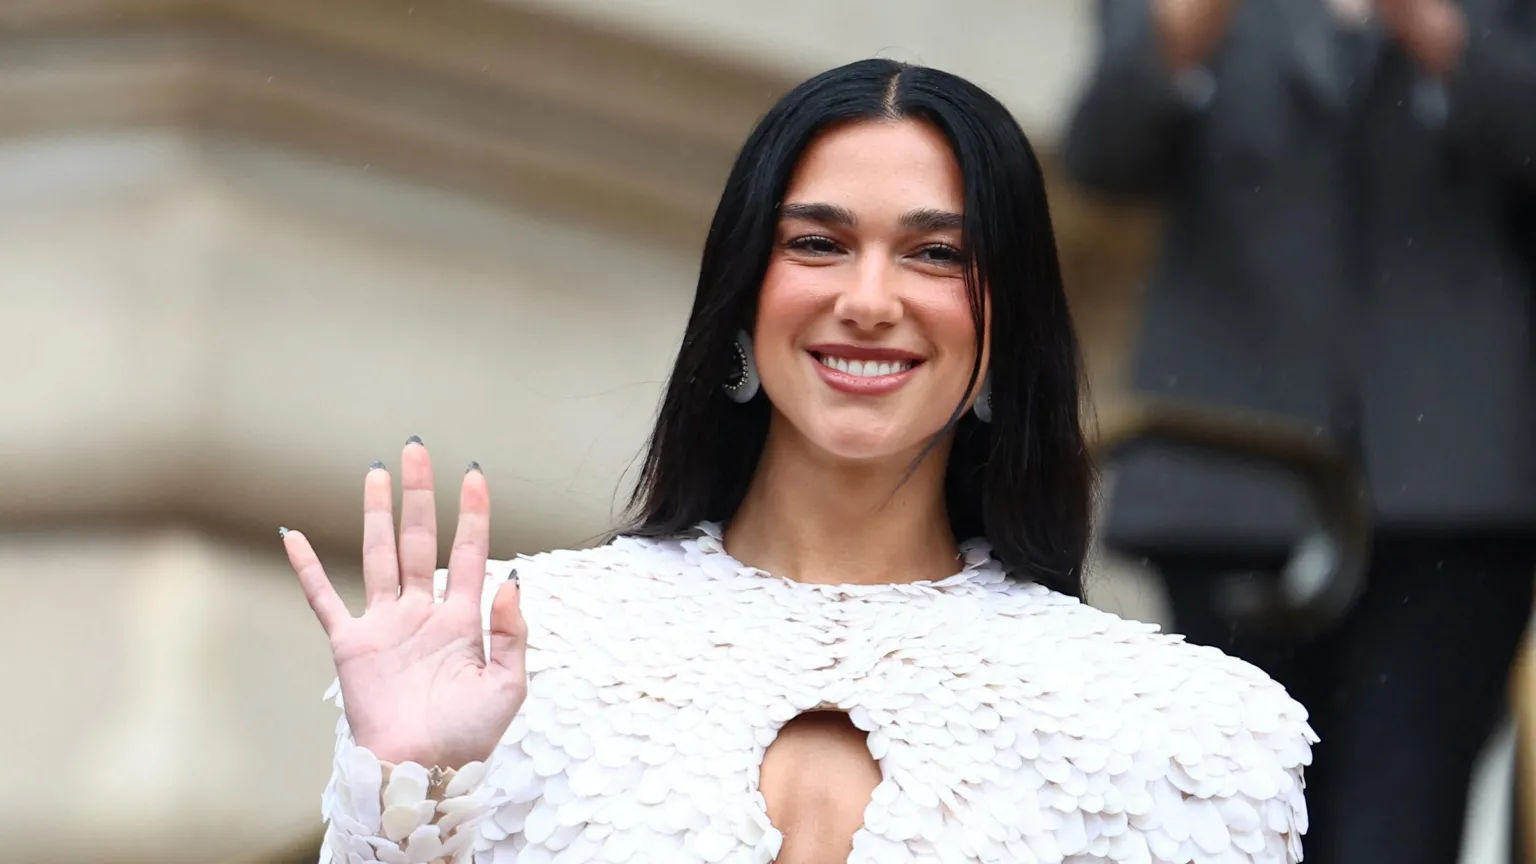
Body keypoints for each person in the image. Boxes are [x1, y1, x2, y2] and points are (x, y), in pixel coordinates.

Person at [283, 59, 1314, 864]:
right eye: (818, 243)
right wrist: (405, 789)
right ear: (743, 297)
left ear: (1008, 331)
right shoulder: (507, 647)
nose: (868, 300)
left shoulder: (1189, 734)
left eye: (936, 254)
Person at [1064, 1, 1536, 862]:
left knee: (1401, 824)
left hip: (1455, 479)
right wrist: (1186, 28)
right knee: (1230, 819)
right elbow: (1103, 153)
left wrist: (1435, 30)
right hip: (1228, 468)